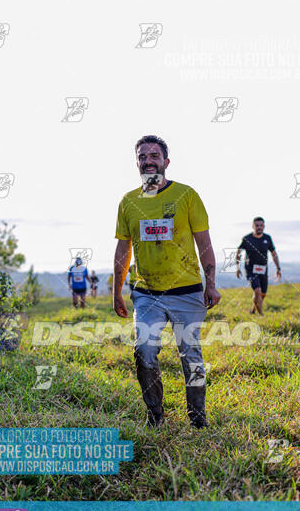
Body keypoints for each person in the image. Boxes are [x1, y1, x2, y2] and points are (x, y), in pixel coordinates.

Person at [113, 134, 221, 429]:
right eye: (142, 157)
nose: (148, 161)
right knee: (144, 351)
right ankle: (155, 417)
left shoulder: (186, 196)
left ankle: (198, 419)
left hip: (186, 291)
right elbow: (123, 249)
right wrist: (116, 292)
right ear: (136, 163)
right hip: (147, 292)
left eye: (154, 156)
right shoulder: (129, 202)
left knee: (192, 357)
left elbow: (205, 244)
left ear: (166, 162)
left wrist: (210, 283)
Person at [235, 217, 281, 316]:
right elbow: (238, 252)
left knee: (263, 294)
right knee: (257, 291)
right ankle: (261, 315)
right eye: (257, 225)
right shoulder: (247, 239)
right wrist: (237, 268)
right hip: (250, 269)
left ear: (264, 226)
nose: (259, 227)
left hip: (263, 269)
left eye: (261, 225)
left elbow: (274, 254)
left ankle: (253, 310)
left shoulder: (267, 238)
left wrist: (278, 268)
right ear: (253, 226)